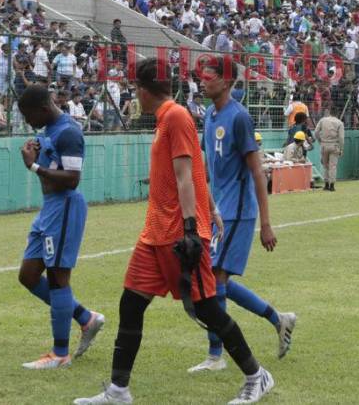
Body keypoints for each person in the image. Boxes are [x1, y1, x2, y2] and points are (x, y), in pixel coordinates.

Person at [73, 58, 274, 405]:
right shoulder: (168, 119)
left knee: (208, 309)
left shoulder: (176, 116)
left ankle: (257, 376)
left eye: (135, 88)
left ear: (143, 89)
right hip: (154, 234)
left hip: (178, 233)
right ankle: (119, 391)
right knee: (130, 304)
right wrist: (210, 207)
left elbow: (185, 176)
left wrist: (193, 228)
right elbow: (195, 167)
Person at [188, 54, 295, 373]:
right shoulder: (209, 115)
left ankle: (215, 355)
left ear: (226, 81)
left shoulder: (239, 117)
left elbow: (257, 172)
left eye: (209, 76)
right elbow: (208, 166)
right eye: (203, 75)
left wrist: (266, 223)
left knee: (215, 279)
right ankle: (279, 319)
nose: (203, 80)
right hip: (219, 209)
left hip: (238, 211)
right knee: (216, 279)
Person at [16, 84, 105, 370]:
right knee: (28, 275)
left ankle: (60, 354)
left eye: (28, 115)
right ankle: (85, 318)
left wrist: (33, 167)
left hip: (65, 206)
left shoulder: (69, 132)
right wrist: (36, 152)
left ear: (43, 109)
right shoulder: (48, 132)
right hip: (49, 208)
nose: (27, 122)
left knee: (57, 277)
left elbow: (72, 178)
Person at [313, 108, 344, 192]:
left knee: (325, 166)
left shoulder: (323, 120)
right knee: (333, 166)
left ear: (329, 113)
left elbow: (316, 132)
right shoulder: (339, 123)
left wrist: (320, 140)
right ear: (337, 114)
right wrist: (341, 148)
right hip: (334, 145)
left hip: (324, 145)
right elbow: (341, 138)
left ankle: (326, 184)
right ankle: (332, 185)